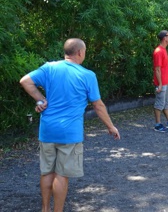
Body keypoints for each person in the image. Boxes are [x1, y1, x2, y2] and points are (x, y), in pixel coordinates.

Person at [19, 38, 120, 212]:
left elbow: (25, 81)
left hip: (47, 130)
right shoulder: (87, 75)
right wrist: (111, 126)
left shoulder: (49, 68)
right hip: (69, 134)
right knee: (61, 175)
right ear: (80, 52)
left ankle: (45, 209)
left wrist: (41, 99)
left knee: (47, 172)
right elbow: (98, 105)